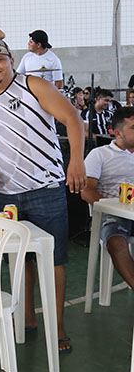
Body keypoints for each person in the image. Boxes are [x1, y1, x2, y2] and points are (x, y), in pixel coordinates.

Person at [0, 39, 86, 354]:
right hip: (6, 195)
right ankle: (27, 318)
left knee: (54, 260)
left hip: (45, 189)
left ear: (12, 61)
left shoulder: (33, 85)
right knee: (19, 261)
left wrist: (76, 161)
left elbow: (73, 118)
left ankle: (58, 324)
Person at [81, 107, 134, 290]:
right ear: (118, 133)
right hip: (113, 214)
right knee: (116, 241)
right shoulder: (100, 154)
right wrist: (112, 207)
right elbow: (86, 190)